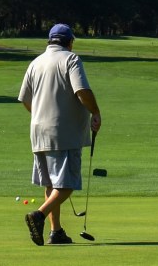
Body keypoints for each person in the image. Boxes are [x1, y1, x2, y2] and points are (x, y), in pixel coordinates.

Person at [19, 24, 102, 246]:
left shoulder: (35, 62)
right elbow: (82, 91)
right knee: (67, 184)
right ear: (69, 41)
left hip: (38, 132)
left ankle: (56, 232)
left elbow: (26, 100)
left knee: (51, 183)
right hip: (64, 132)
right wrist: (95, 111)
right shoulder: (70, 59)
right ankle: (39, 215)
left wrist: (41, 115)